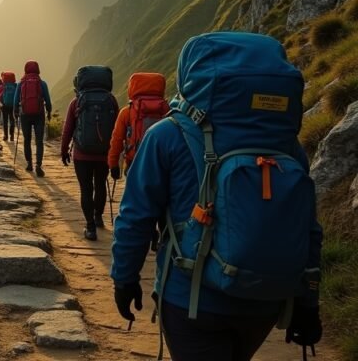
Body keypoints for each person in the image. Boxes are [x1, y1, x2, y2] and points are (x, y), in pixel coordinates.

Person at [111, 33, 322, 361]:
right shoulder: (287, 145)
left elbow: (136, 215)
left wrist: (124, 278)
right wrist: (309, 300)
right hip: (268, 299)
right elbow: (308, 228)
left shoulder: (168, 134)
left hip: (192, 300)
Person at [61, 65, 119, 241]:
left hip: (82, 154)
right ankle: (98, 216)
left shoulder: (76, 102)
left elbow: (68, 128)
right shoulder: (111, 100)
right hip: (103, 153)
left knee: (86, 189)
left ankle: (90, 227)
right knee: (100, 184)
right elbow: (116, 130)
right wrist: (116, 156)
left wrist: (64, 150)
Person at [108, 72, 170, 179]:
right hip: (162, 162)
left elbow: (116, 140)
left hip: (134, 162)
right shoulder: (167, 110)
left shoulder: (126, 112)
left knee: (135, 194)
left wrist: (113, 164)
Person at [15, 61, 52, 176]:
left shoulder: (21, 83)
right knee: (39, 140)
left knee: (27, 140)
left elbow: (16, 100)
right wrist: (49, 112)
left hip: (25, 114)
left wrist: (15, 113)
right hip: (39, 115)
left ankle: (29, 163)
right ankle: (38, 165)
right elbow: (48, 101)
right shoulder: (42, 83)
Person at [0, 71, 18, 141]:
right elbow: (19, 96)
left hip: (4, 106)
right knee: (12, 120)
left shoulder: (2, 86)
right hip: (13, 106)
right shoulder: (15, 86)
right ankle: (12, 136)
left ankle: (5, 136)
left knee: (5, 121)